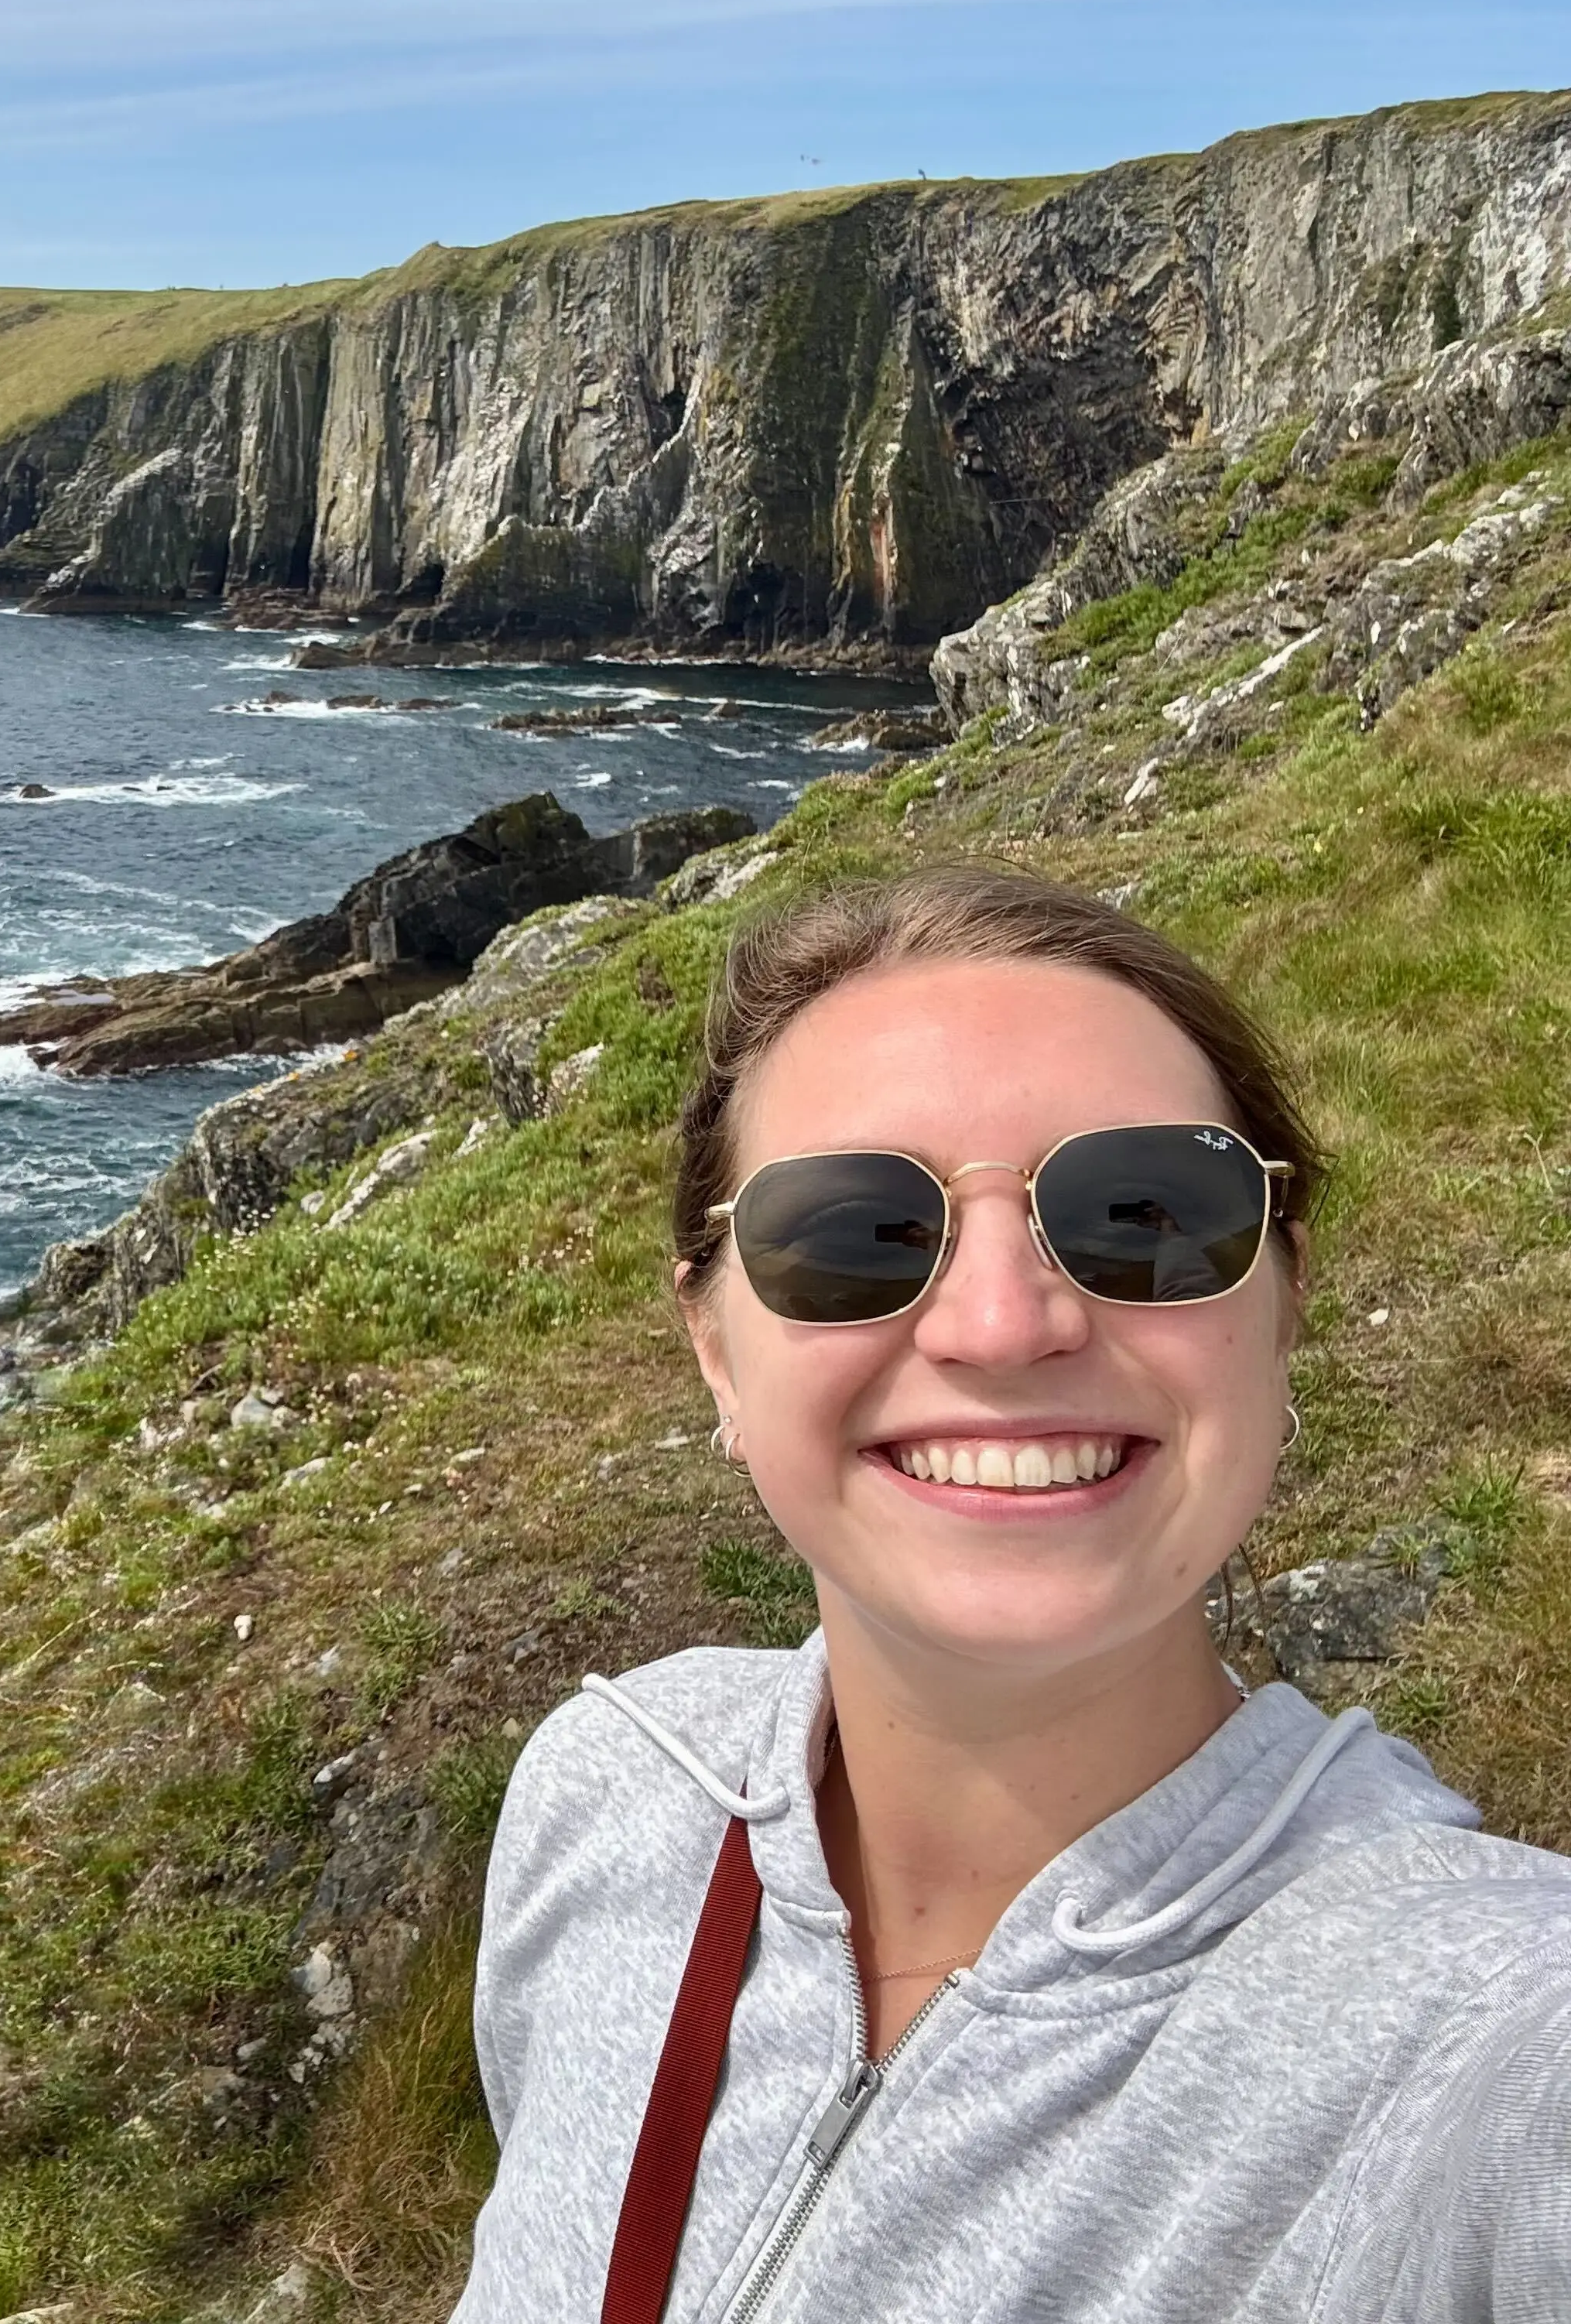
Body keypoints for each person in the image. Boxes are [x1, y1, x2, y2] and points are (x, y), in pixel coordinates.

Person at [452, 866, 1571, 2323]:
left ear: (1283, 1299)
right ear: (717, 1349)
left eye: (1148, 1213)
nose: (1002, 1324)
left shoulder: (1480, 2028)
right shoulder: (605, 1796)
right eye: (854, 1232)